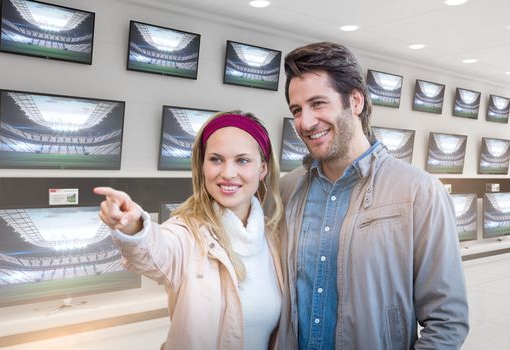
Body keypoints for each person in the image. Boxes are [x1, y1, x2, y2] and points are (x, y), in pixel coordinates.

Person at [277, 42, 469, 349]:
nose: (305, 122)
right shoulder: (288, 189)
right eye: (297, 110)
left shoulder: (418, 192)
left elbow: (447, 320)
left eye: (318, 104)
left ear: (354, 101)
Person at [94, 112, 284, 349]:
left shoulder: (274, 239)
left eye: (242, 160)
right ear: (202, 166)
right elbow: (155, 250)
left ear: (263, 168)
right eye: (216, 159)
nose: (227, 173)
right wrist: (133, 226)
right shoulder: (185, 233)